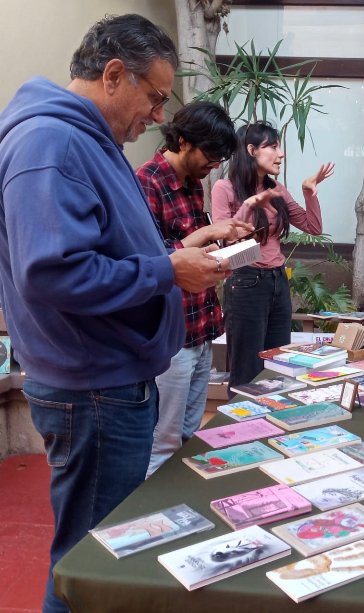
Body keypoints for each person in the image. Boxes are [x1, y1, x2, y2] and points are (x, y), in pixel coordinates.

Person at [0, 14, 230, 613]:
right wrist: (168, 270)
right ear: (111, 75)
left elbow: (104, 247)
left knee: (99, 550)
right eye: (154, 97)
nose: (158, 116)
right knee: (92, 559)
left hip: (102, 379)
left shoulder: (79, 139)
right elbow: (53, 272)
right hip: (94, 386)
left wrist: (176, 254)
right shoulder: (53, 143)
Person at [136, 101, 253, 476]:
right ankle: (149, 517)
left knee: (189, 435)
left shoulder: (192, 184)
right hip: (171, 334)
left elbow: (192, 250)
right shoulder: (147, 181)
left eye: (221, 157)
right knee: (162, 439)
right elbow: (148, 262)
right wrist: (208, 232)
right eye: (211, 154)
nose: (215, 164)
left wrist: (226, 249)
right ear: (183, 141)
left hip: (201, 325)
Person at [212, 121, 334, 389]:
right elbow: (225, 238)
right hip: (245, 281)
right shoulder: (225, 188)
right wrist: (248, 206)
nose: (281, 154)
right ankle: (243, 428)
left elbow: (313, 228)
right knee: (247, 370)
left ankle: (272, 428)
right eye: (273, 147)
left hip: (278, 281)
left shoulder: (276, 189)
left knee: (278, 367)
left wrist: (309, 191)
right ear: (252, 150)